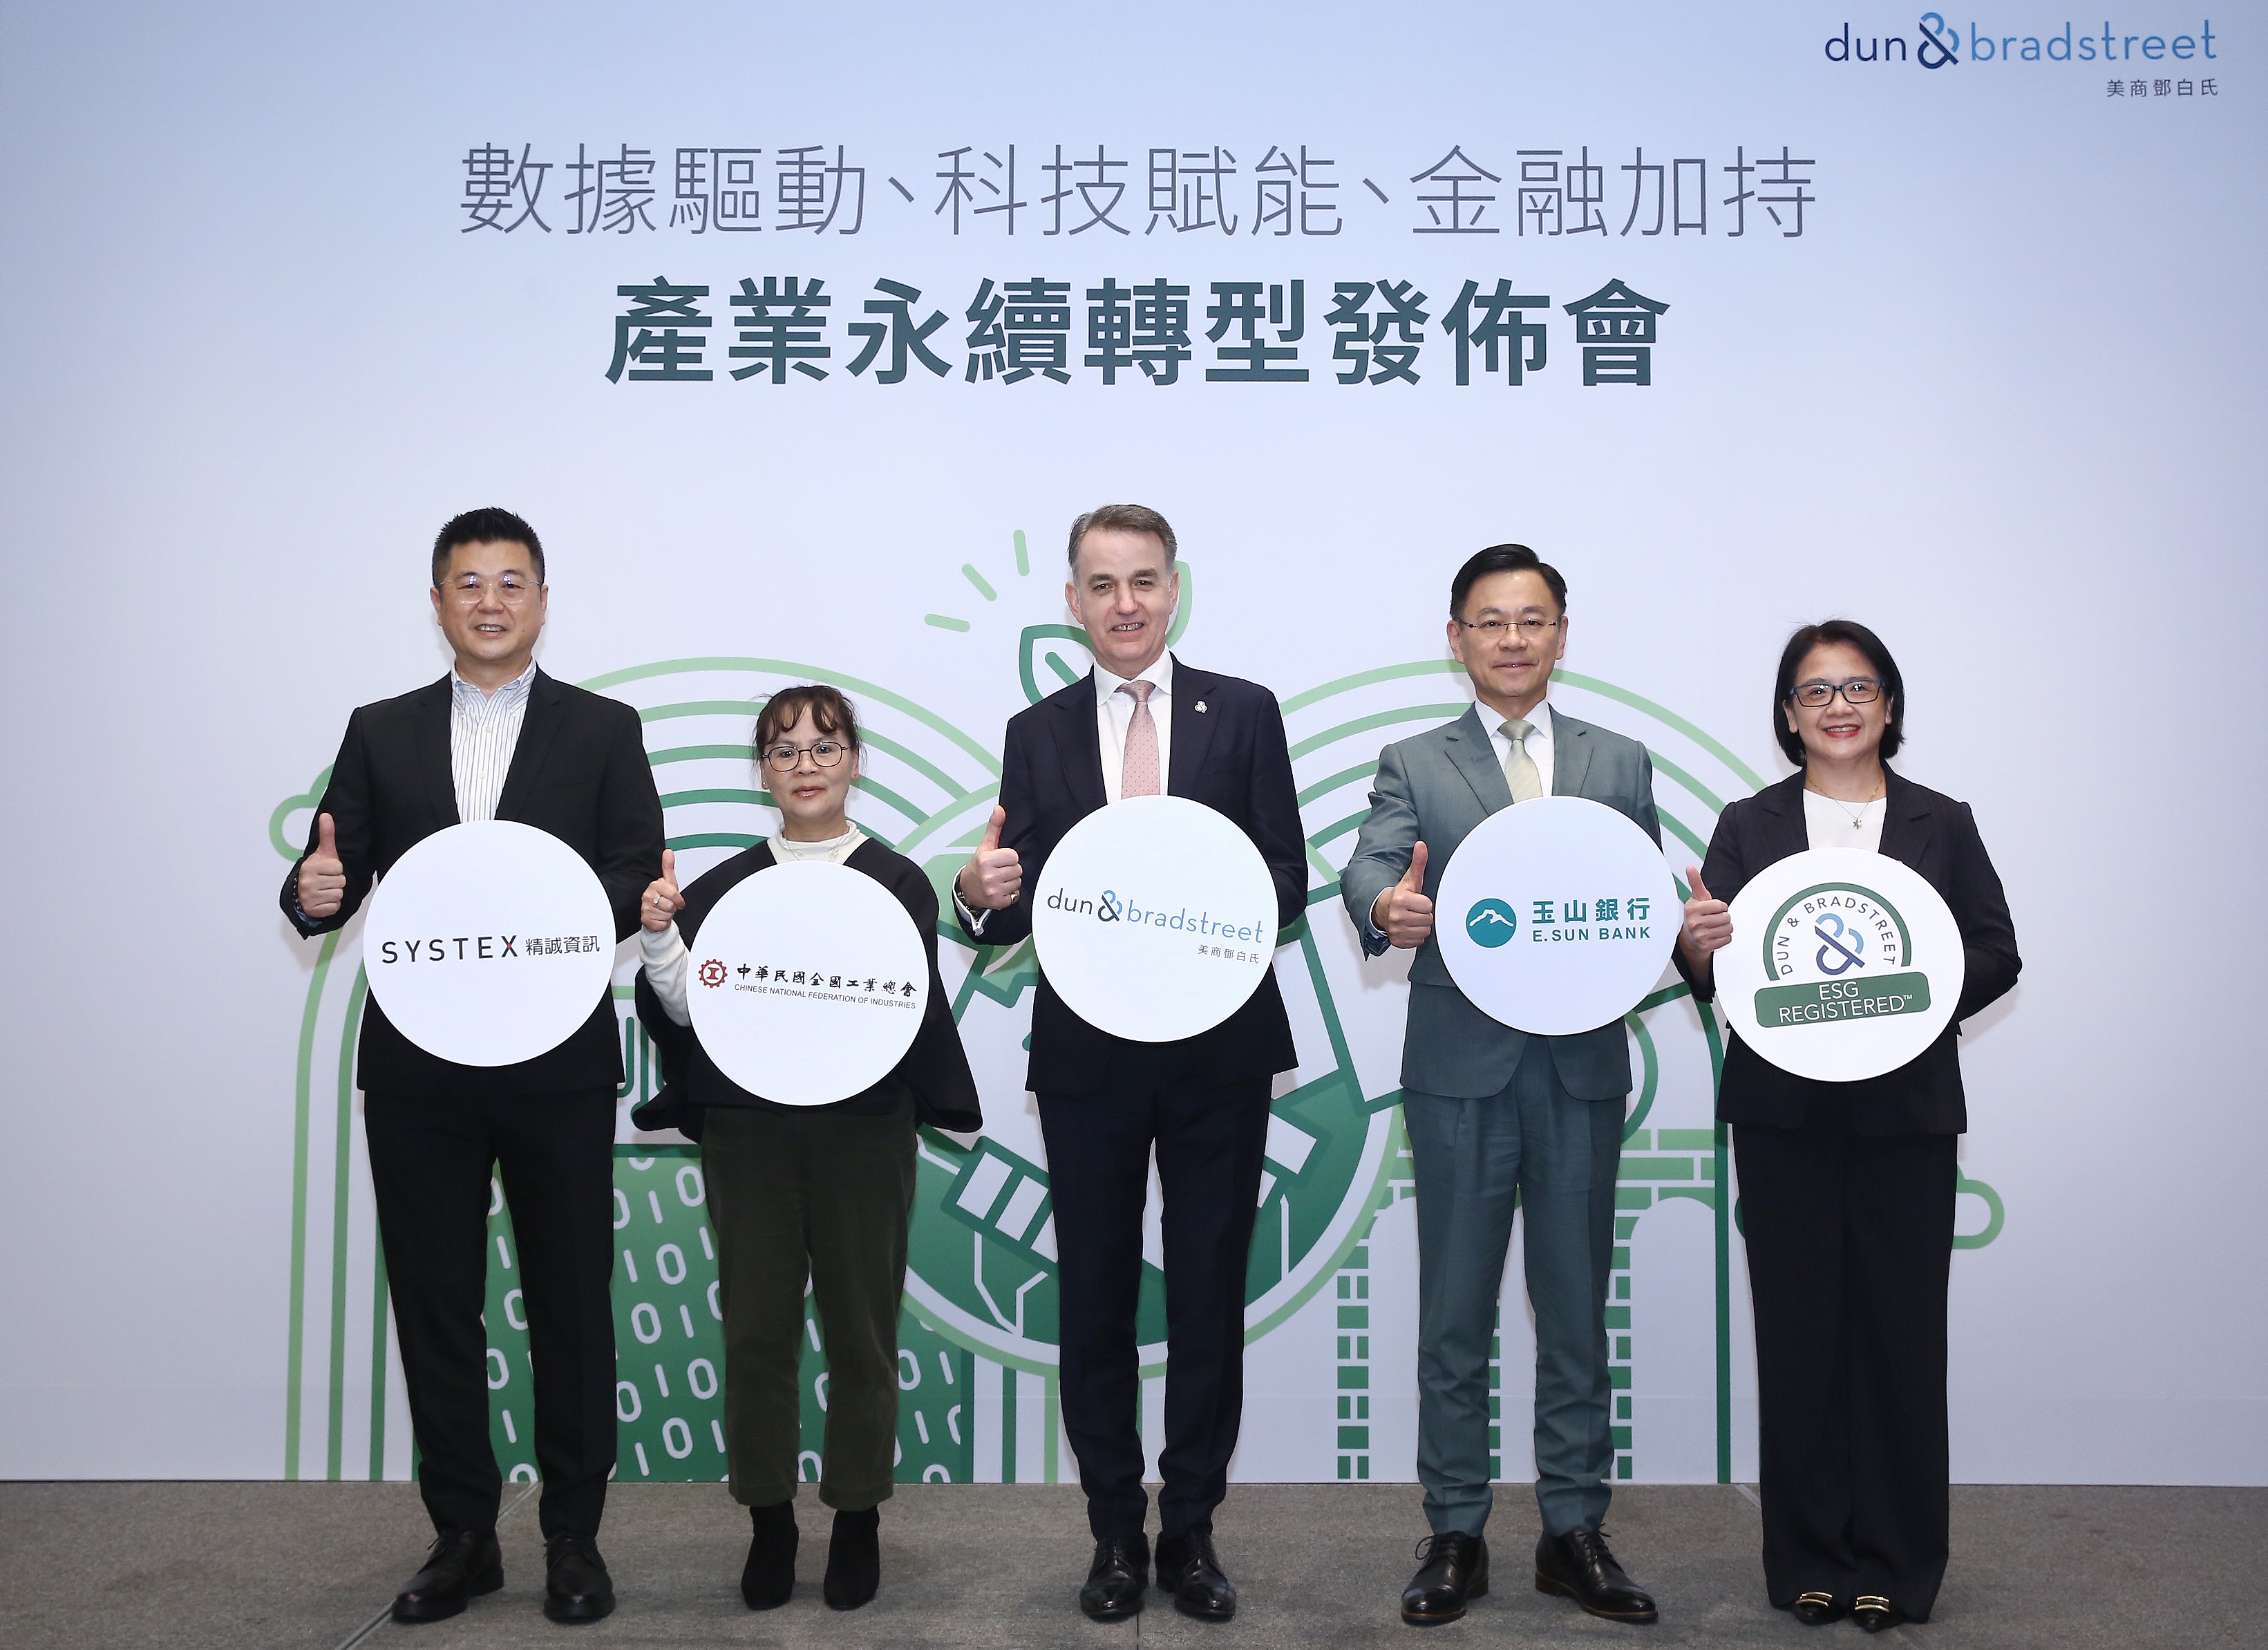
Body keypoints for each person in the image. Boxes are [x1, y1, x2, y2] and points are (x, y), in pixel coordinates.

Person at [281, 509, 663, 1625]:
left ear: (542, 600)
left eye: (510, 582)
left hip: (555, 1060)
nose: (489, 602)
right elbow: (333, 869)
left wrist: (545, 924)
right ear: (438, 602)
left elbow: (630, 865)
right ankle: (462, 1537)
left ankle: (574, 1540)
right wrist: (312, 893)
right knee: (436, 1303)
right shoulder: (380, 730)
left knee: (570, 1303)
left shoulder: (604, 729)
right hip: (420, 1069)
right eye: (467, 583)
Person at [952, 504, 1305, 1624]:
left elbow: (1285, 879)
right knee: (1095, 1297)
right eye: (1101, 584)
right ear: (1072, 601)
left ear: (1174, 590)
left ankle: (1189, 1531)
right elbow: (1016, 903)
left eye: (1143, 580)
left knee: (1205, 1295)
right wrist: (977, 896)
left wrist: (1200, 904)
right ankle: (1113, 1532)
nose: (1125, 604)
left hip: (1217, 1050)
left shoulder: (1242, 712)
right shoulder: (1037, 730)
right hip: (1089, 1056)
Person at [1340, 544, 1663, 1629]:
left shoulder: (1619, 761)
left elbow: (1639, 902)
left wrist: (1689, 929)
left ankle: (1574, 1530)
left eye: (1532, 619)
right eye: (1490, 621)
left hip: (1577, 1070)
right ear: (1456, 638)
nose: (1512, 638)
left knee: (1574, 1314)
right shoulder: (1413, 760)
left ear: (1561, 634)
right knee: (1454, 1314)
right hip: (1459, 1072)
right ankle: (1455, 1533)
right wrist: (1385, 906)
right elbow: (1371, 861)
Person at [1676, 621, 2018, 1633]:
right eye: (1815, 691)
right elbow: (1710, 964)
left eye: (1857, 687)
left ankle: (1898, 1566)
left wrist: (1912, 1001)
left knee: (1901, 1339)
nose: (1838, 706)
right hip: (1783, 1116)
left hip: (1904, 1113)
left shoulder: (1941, 821)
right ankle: (1810, 1560)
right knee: (1798, 1339)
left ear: (1888, 705)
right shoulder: (1748, 823)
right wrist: (1697, 946)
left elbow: (1996, 952)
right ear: (1788, 714)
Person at [629, 685, 980, 1613]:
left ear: (854, 761)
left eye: (824, 748)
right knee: (756, 1331)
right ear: (763, 771)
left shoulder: (897, 880)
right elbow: (689, 1009)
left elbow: (897, 1011)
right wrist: (660, 938)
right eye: (784, 752)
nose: (805, 767)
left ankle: (857, 1515)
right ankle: (770, 1519)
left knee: (862, 1329)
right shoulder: (724, 887)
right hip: (749, 1132)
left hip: (863, 1129)